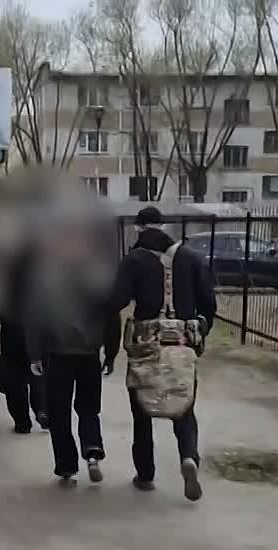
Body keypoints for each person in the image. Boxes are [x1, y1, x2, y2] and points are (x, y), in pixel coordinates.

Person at [109, 206, 217, 501]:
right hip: (181, 344)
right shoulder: (192, 259)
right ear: (164, 227)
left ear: (139, 228)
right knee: (184, 405)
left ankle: (145, 475)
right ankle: (189, 456)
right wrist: (200, 327)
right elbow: (209, 305)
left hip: (145, 344)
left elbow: (116, 300)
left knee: (142, 410)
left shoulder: (134, 260)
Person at [24, 242, 122, 488]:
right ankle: (92, 450)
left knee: (59, 412)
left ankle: (66, 467)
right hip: (89, 354)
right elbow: (112, 318)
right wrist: (110, 353)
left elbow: (35, 319)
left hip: (58, 355)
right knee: (89, 407)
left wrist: (35, 355)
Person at [0, 304, 48, 433]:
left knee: (15, 382)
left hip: (12, 337)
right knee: (39, 377)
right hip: (38, 335)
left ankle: (22, 422)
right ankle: (42, 410)